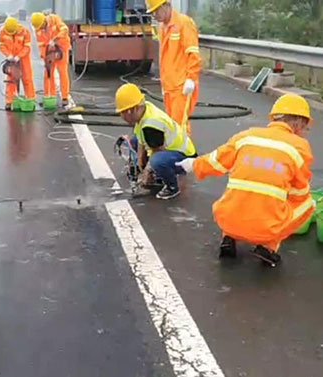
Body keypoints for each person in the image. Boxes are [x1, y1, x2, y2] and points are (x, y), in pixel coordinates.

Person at [177, 94, 315, 266]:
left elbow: (214, 161)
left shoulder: (246, 137)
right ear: (297, 121)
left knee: (238, 195)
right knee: (308, 204)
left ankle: (228, 237)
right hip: (266, 230)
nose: (303, 131)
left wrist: (193, 164)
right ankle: (269, 247)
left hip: (227, 220)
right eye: (304, 126)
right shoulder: (299, 147)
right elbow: (299, 193)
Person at [115, 83, 197, 200]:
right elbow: (140, 141)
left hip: (184, 157)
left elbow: (157, 151)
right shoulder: (144, 110)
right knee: (134, 141)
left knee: (156, 161)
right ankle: (158, 174)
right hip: (169, 151)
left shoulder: (151, 125)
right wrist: (139, 165)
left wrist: (146, 173)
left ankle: (172, 187)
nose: (121, 117)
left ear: (130, 110)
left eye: (121, 113)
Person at [145, 0, 201, 135]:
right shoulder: (163, 27)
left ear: (166, 5)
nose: (154, 15)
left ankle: (184, 154)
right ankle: (177, 153)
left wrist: (191, 78)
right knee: (172, 125)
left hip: (181, 86)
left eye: (156, 10)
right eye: (152, 12)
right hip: (169, 86)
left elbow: (193, 53)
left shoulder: (184, 23)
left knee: (179, 127)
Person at [31, 12, 71, 107]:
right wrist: (46, 58)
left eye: (41, 26)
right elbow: (41, 45)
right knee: (48, 74)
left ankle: (65, 97)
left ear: (44, 21)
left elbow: (65, 29)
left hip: (62, 49)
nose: (41, 29)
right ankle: (49, 96)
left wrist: (55, 39)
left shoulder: (54, 19)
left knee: (62, 72)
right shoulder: (38, 30)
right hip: (49, 52)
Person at [0, 17, 36, 111]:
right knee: (11, 80)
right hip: (11, 59)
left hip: (23, 58)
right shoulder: (3, 31)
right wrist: (8, 55)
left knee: (27, 79)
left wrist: (19, 56)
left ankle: (30, 99)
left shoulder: (24, 31)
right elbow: (0, 44)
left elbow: (27, 47)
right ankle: (9, 102)